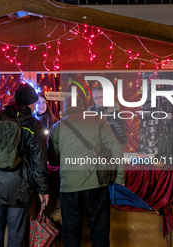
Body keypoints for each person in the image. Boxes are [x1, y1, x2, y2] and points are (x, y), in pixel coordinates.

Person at [0, 83, 49, 247]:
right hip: (19, 187)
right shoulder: (33, 125)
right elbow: (39, 160)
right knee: (16, 237)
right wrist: (43, 189)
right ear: (30, 104)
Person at [48, 96, 124, 247]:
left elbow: (53, 160)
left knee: (71, 234)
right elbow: (117, 148)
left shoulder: (56, 127)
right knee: (99, 232)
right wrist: (120, 178)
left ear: (65, 108)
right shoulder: (97, 120)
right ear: (83, 107)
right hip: (96, 185)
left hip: (69, 186)